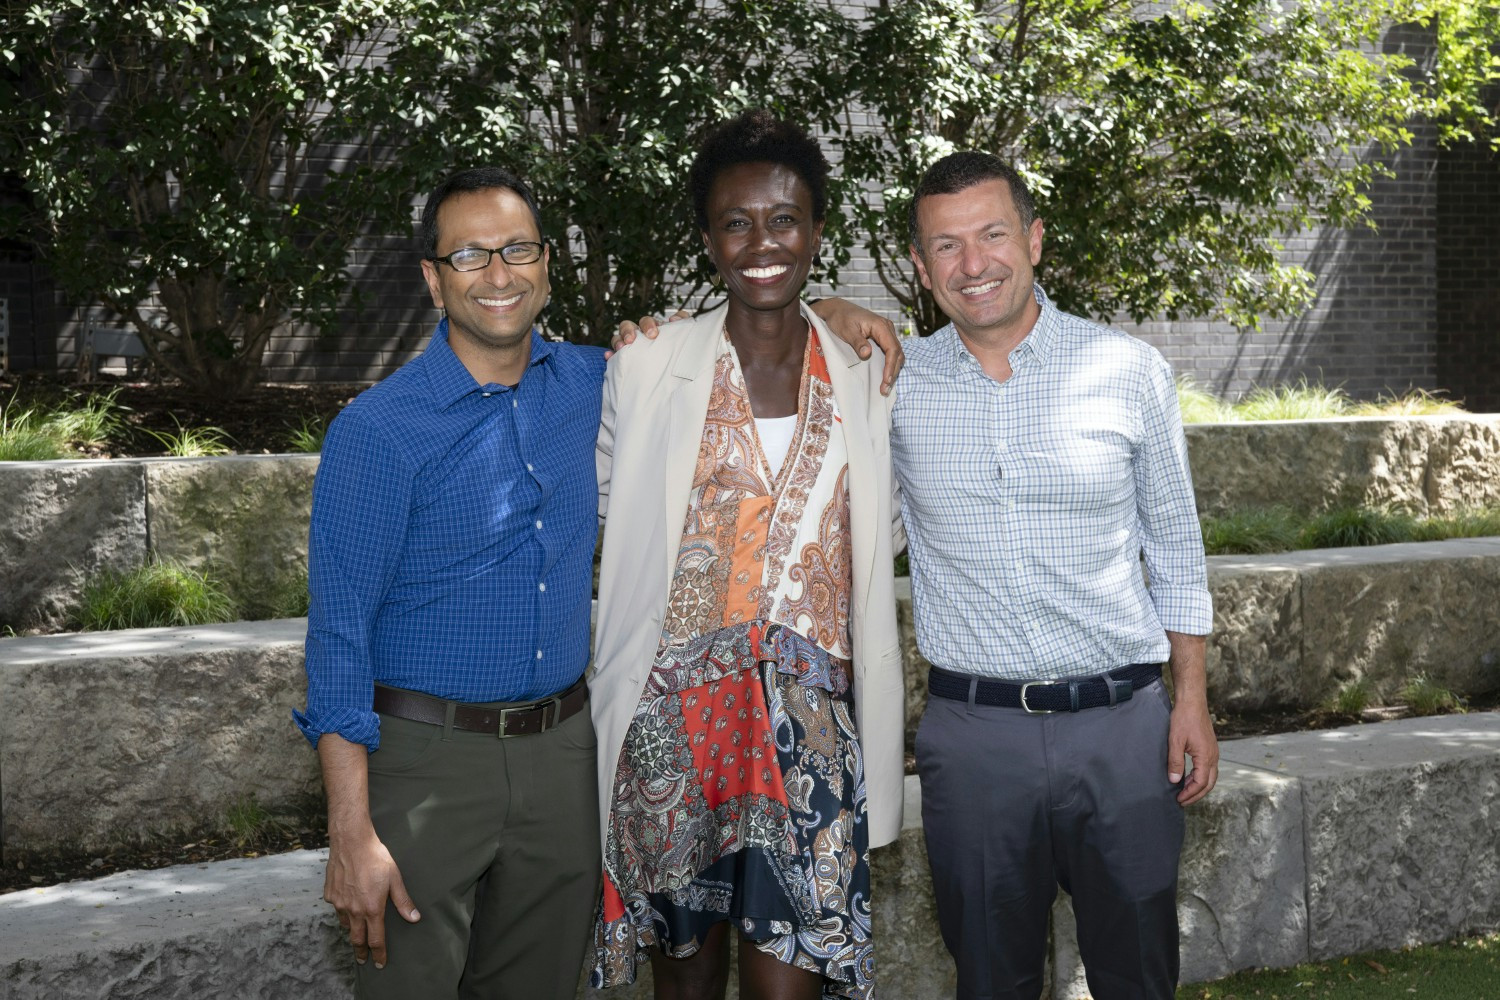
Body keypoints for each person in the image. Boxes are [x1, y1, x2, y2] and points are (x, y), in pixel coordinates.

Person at [295, 165, 903, 1000]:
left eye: (517, 250)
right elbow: (336, 639)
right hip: (426, 763)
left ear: (547, 265)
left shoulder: (599, 381)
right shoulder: (376, 430)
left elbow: (744, 329)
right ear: (434, 281)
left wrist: (828, 313)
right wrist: (349, 830)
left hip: (562, 760)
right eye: (470, 256)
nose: (499, 274)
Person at [588, 110, 906, 1000]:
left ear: (815, 230)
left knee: (790, 986)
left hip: (812, 741)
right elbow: (612, 510)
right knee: (682, 990)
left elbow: (885, 531)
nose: (761, 242)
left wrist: (841, 311)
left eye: (784, 219)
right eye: (736, 222)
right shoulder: (646, 364)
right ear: (707, 239)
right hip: (671, 737)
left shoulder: (865, 367)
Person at [893, 151, 1219, 1000]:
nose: (975, 264)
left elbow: (1176, 547)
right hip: (975, 737)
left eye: (994, 234)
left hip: (1123, 730)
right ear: (923, 270)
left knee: (1138, 974)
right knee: (990, 979)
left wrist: (1189, 701)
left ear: (1034, 240)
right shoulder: (892, 387)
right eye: (947, 247)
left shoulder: (1127, 369)